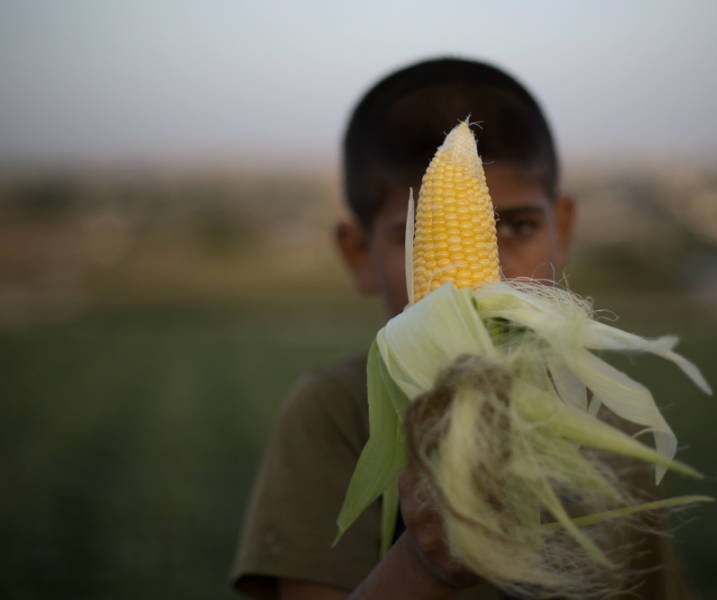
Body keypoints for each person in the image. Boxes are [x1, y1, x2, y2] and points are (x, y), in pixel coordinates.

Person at [231, 57, 690, 600]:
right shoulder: (336, 412)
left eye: (517, 227)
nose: (489, 275)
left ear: (562, 229)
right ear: (358, 254)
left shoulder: (604, 416)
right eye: (421, 235)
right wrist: (425, 567)